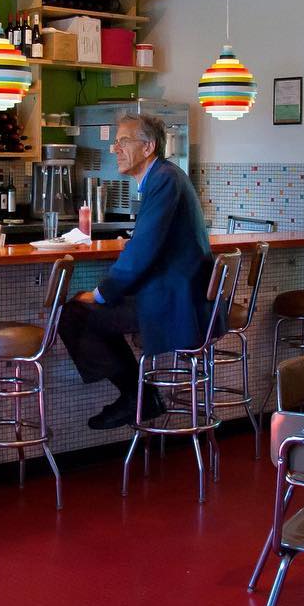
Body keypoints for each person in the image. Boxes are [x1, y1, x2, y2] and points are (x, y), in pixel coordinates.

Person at [58, 112, 212, 430]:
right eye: (115, 142)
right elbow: (150, 241)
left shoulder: (164, 179)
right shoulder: (165, 177)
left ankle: (137, 396)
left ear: (148, 147)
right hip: (176, 293)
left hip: (175, 301)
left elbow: (143, 251)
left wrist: (102, 293)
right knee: (85, 312)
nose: (115, 149)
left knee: (75, 313)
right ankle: (139, 395)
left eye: (123, 141)